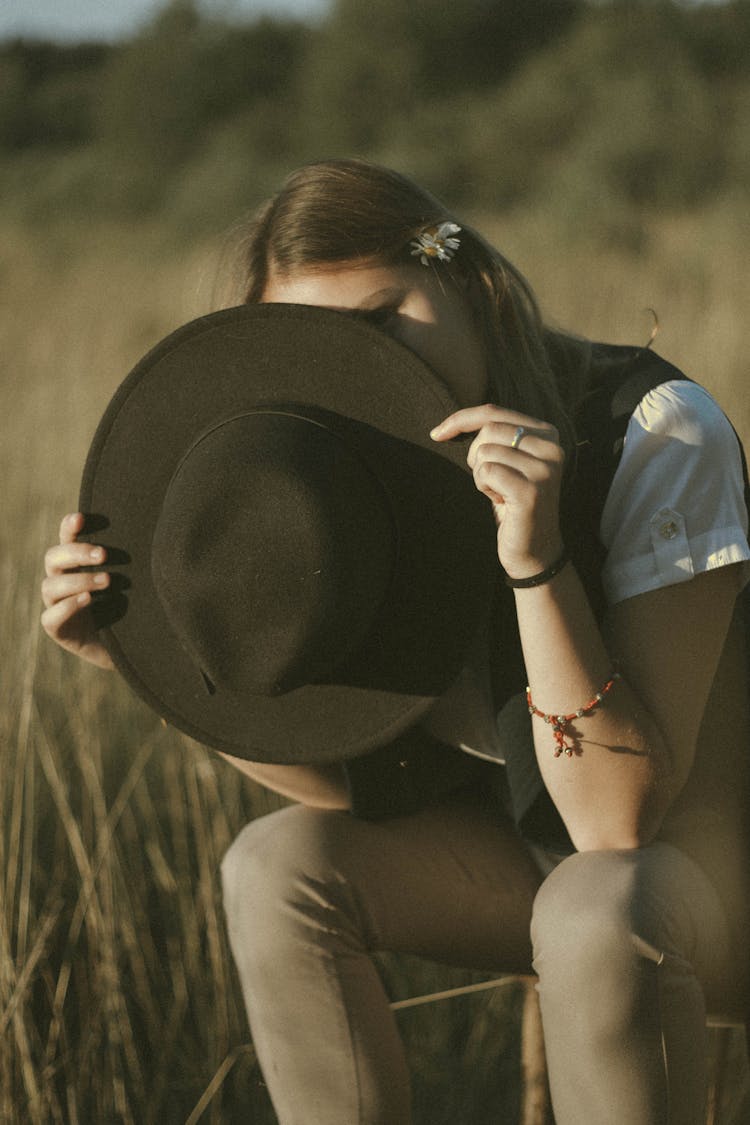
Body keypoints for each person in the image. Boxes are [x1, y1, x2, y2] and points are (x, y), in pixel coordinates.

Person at [40, 158, 750, 1124]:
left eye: (379, 323)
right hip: (539, 877)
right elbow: (365, 789)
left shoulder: (653, 437)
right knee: (273, 867)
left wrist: (537, 565)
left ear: (470, 282)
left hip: (710, 877)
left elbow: (615, 827)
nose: (360, 373)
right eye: (311, 342)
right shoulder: (351, 488)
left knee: (593, 908)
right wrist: (146, 665)